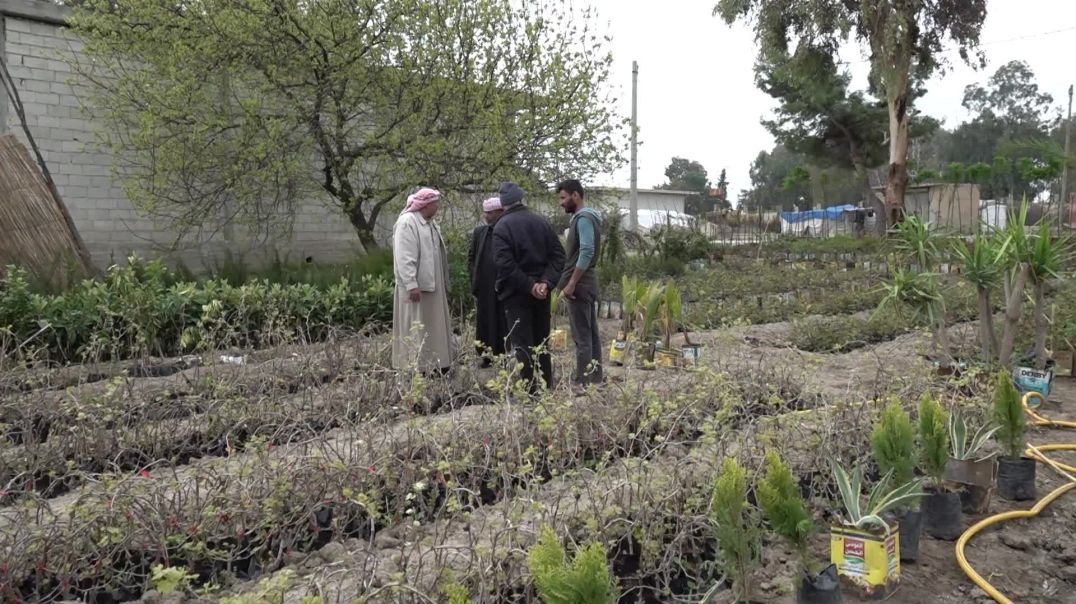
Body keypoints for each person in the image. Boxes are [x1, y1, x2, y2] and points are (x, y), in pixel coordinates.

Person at [492, 182, 566, 393]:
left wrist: (529, 285)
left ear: (503, 204)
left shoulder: (502, 227)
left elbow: (504, 265)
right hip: (541, 293)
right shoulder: (541, 222)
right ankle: (546, 387)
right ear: (521, 199)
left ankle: (530, 391)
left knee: (522, 343)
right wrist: (545, 283)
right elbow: (558, 256)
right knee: (542, 341)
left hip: (516, 293)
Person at [391, 187, 454, 374]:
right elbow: (404, 257)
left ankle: (436, 363)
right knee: (416, 327)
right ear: (426, 205)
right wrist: (411, 284)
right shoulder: (407, 223)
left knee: (433, 327)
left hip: (432, 287)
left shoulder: (429, 223)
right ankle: (416, 367)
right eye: (436, 204)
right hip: (417, 290)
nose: (438, 207)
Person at [555, 179, 603, 388]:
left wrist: (572, 282)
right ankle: (596, 378)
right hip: (587, 283)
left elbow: (587, 250)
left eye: (563, 198)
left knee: (581, 335)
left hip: (581, 285)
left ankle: (582, 382)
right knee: (590, 332)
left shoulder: (583, 219)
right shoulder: (588, 217)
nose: (561, 203)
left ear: (576, 195)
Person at [468, 196, 508, 367]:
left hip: (503, 286)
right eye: (485, 212)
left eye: (490, 213)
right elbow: (471, 257)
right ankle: (486, 356)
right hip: (483, 286)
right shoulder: (480, 233)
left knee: (501, 322)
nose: (486, 216)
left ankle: (502, 356)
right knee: (484, 321)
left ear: (500, 212)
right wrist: (474, 277)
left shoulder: (508, 230)